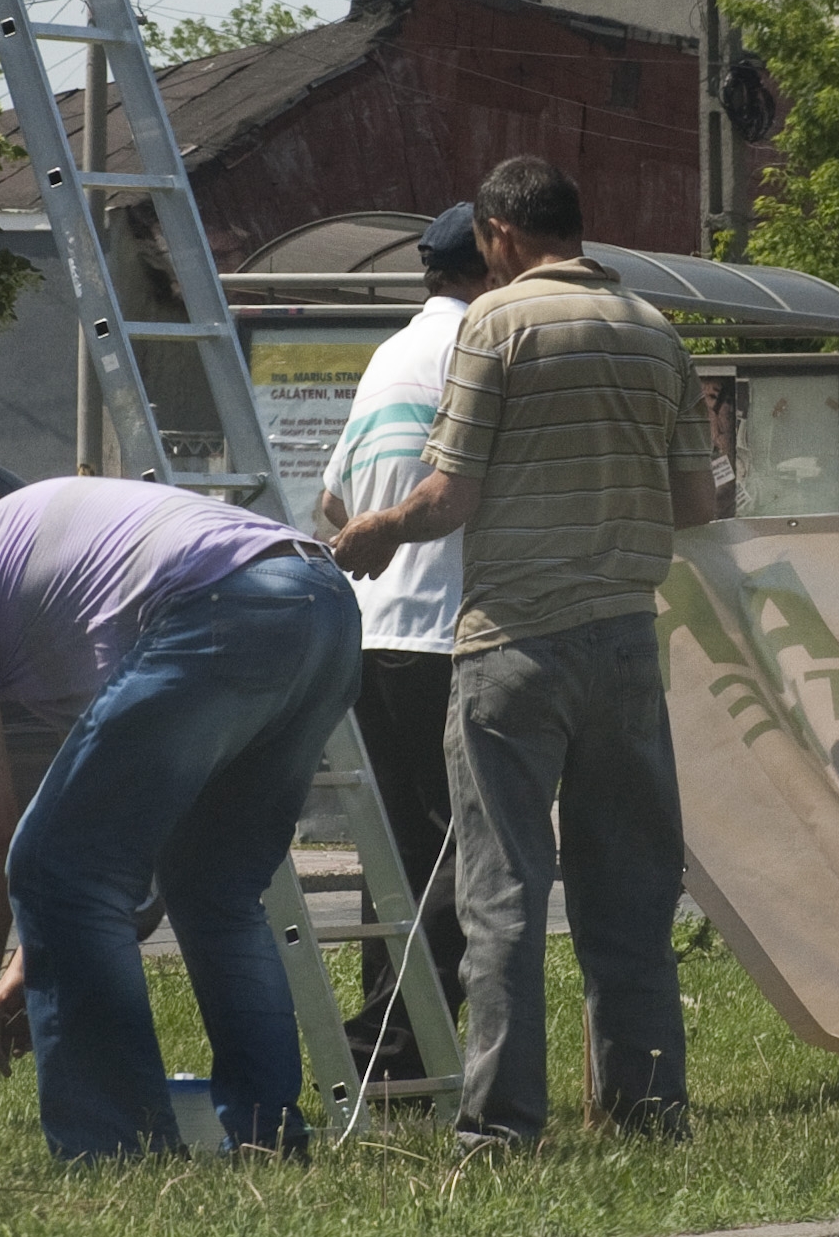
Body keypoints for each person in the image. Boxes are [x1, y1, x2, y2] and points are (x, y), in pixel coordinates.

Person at [330, 155, 713, 1147]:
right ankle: (650, 1112)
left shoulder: (494, 324)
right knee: (628, 892)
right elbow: (698, 503)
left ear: (499, 236)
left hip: (514, 644)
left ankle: (501, 1127)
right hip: (627, 641)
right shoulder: (653, 328)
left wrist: (377, 530)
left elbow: (449, 495)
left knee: (501, 892)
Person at [0, 477, 360, 1161]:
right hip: (322, 603)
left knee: (44, 860)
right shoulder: (54, 603)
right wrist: (35, 963)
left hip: (225, 606)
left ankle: (114, 1146)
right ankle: (268, 1136)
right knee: (213, 886)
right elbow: (121, 860)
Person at [313, 200, 485, 1083]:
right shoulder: (479, 346)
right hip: (444, 631)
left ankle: (396, 1053)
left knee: (397, 853)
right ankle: (387, 1041)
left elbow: (335, 502)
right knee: (464, 848)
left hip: (368, 632)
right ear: (491, 263)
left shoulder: (390, 353)